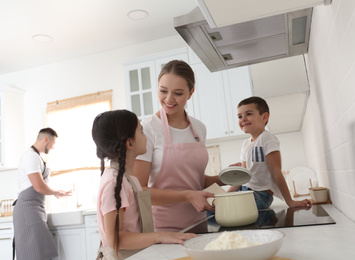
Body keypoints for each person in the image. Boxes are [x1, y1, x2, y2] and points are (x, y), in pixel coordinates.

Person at [92, 110, 196, 259]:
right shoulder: (114, 182)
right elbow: (115, 239)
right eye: (141, 131)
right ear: (130, 142)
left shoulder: (128, 178)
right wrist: (160, 236)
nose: (145, 136)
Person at [133, 60, 224, 232]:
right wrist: (188, 196)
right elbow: (140, 191)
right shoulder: (147, 129)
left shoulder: (199, 128)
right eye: (163, 91)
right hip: (162, 229)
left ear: (191, 93)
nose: (168, 99)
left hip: (199, 223)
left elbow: (193, 180)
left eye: (178, 93)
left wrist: (225, 177)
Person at [227, 96, 311, 209]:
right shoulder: (245, 144)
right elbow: (243, 178)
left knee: (229, 211)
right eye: (239, 116)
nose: (243, 119)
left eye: (248, 114)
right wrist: (225, 196)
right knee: (219, 208)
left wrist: (290, 201)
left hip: (260, 194)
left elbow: (276, 171)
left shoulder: (267, 138)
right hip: (245, 191)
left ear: (265, 117)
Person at [13, 128, 72, 260]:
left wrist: (56, 192)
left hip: (34, 208)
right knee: (34, 254)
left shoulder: (36, 156)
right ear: (46, 140)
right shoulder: (31, 156)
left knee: (40, 253)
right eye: (53, 144)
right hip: (27, 210)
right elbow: (38, 186)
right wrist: (56, 192)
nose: (52, 148)